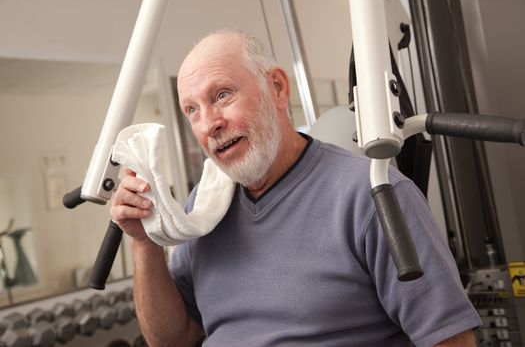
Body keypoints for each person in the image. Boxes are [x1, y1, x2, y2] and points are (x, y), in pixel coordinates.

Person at [110, 30, 481, 346]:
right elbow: (173, 339)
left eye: (222, 95)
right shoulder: (204, 208)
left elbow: (451, 339)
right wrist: (145, 242)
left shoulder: (372, 195)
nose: (210, 124)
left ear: (277, 88)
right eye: (192, 110)